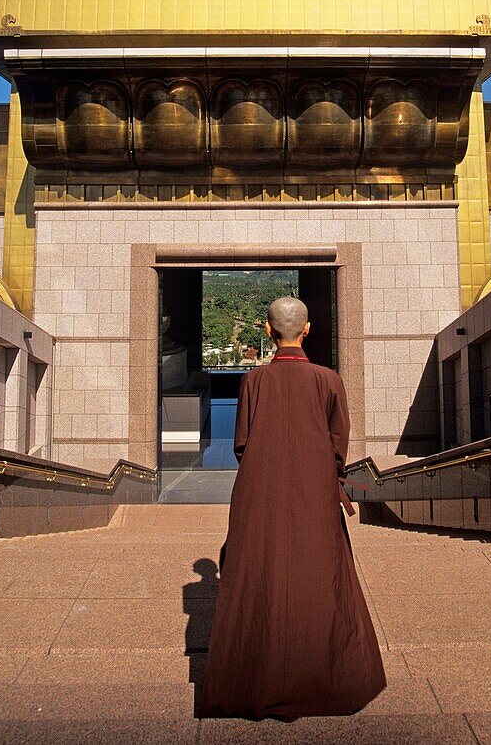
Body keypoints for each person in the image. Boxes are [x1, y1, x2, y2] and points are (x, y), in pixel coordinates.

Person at [197, 296, 387, 721]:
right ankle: (326, 681)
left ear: (267, 331)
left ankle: (253, 681)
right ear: (307, 330)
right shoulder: (329, 380)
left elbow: (242, 444)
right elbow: (339, 444)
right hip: (316, 488)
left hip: (259, 490)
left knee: (260, 571)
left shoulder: (254, 381)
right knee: (320, 573)